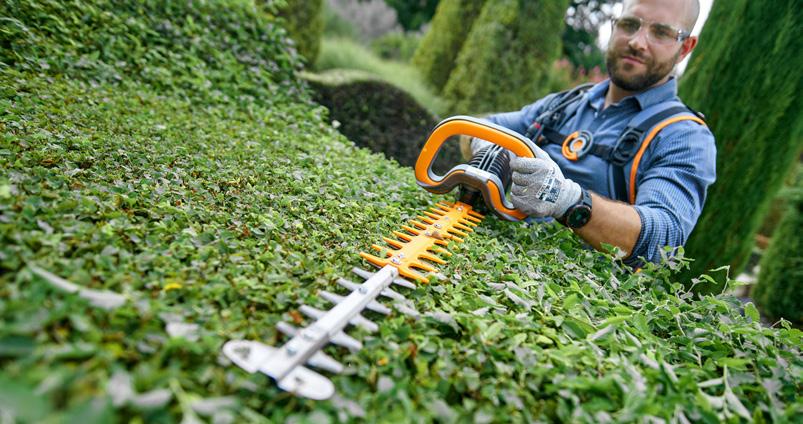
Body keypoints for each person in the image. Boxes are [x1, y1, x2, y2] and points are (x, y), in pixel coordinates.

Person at [471, 0, 715, 266]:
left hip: (572, 297)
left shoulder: (684, 137)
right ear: (614, 26)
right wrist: (485, 146)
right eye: (629, 25)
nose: (637, 42)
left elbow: (663, 241)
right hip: (493, 256)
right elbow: (482, 126)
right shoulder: (567, 103)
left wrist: (566, 200)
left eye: (661, 32)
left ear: (685, 48)